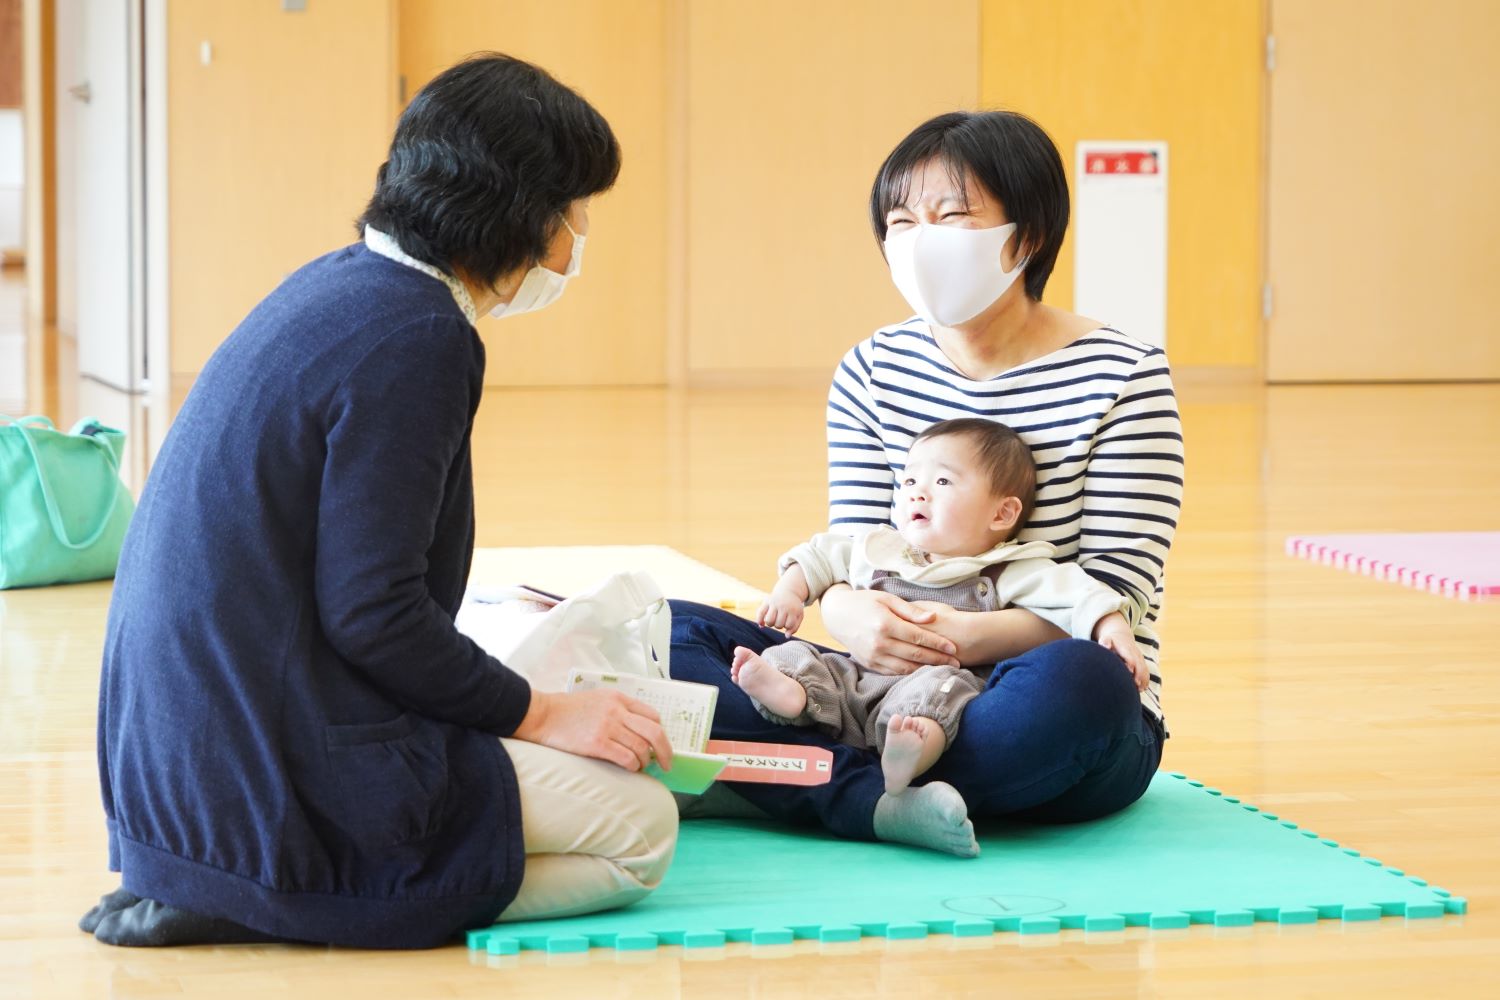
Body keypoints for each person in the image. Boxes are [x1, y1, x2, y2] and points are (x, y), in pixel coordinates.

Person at [81, 54, 679, 950]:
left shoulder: (339, 282)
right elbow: (374, 613)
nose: (577, 238)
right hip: (262, 771)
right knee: (644, 831)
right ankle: (269, 894)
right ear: (518, 211)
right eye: (574, 208)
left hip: (178, 765)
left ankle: (227, 878)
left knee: (551, 741)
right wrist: (544, 713)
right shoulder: (420, 336)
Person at [670, 110, 1181, 859]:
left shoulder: (1125, 375)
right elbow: (853, 548)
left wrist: (963, 637)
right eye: (901, 220)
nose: (919, 240)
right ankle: (874, 796)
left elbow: (1115, 589)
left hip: (1025, 692)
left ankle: (793, 781)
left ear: (1027, 235)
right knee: (672, 632)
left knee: (1088, 683)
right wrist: (846, 614)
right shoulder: (873, 369)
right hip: (872, 691)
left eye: (952, 216)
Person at [732, 418, 1147, 805]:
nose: (917, 491)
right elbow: (818, 557)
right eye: (910, 480)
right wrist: (789, 592)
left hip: (937, 687)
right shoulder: (881, 549)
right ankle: (793, 695)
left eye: (943, 480)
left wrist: (1113, 630)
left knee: (940, 693)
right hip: (858, 678)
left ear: (1002, 513)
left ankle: (909, 754)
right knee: (790, 656)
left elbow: (1081, 594)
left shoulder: (1008, 569)